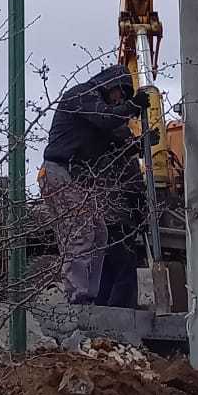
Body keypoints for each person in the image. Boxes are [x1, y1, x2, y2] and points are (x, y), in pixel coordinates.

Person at [41, 66, 142, 304]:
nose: (120, 100)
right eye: (121, 94)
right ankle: (78, 297)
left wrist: (138, 144)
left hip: (72, 176)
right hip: (58, 170)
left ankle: (90, 295)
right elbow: (106, 120)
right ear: (111, 84)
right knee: (81, 232)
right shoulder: (83, 95)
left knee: (99, 233)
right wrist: (134, 106)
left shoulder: (95, 114)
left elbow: (109, 144)